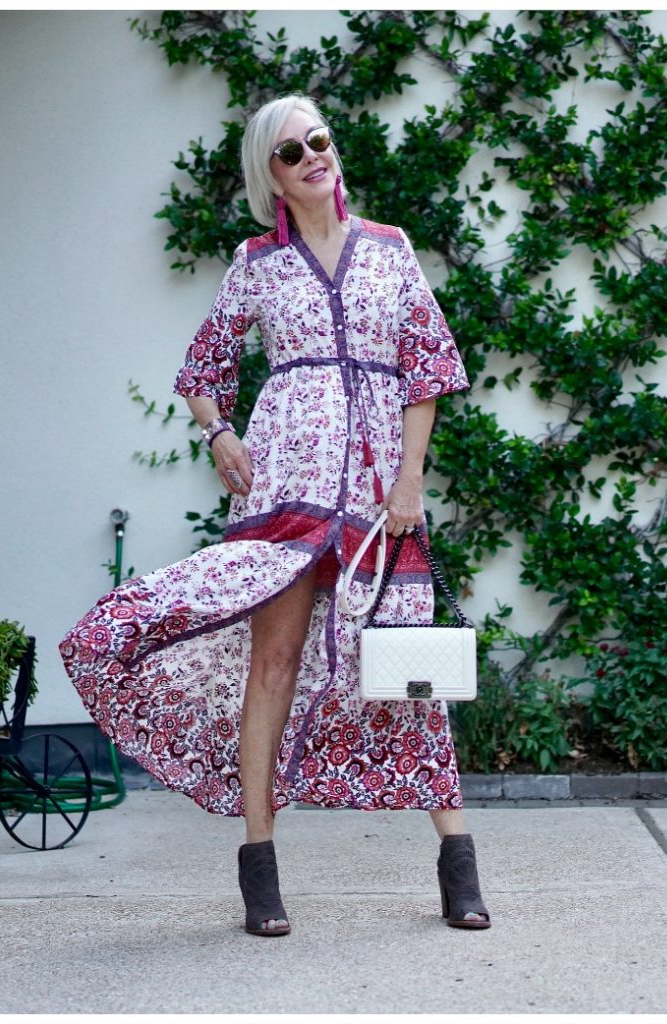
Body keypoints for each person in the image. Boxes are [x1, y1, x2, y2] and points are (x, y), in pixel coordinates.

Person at [60, 93, 491, 936]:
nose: (312, 158)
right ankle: (260, 869)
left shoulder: (390, 250)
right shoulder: (256, 264)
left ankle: (457, 863)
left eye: (319, 141)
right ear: (273, 175)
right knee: (275, 664)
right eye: (292, 152)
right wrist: (220, 433)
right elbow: (200, 371)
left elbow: (427, 371)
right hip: (285, 489)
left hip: (375, 495)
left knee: (407, 674)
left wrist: (409, 482)